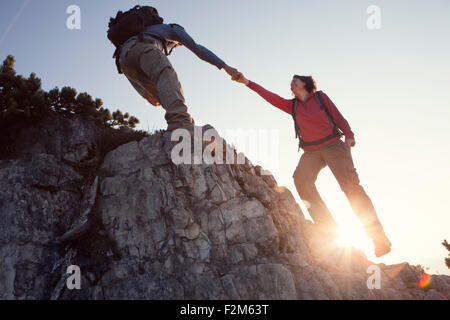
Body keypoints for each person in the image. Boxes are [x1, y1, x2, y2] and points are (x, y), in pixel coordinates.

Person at [232, 72, 392, 257]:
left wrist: (349, 134)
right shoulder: (292, 106)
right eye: (290, 81)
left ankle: (379, 238)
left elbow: (338, 117)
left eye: (295, 81)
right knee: (300, 179)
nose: (291, 83)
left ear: (306, 84)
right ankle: (327, 226)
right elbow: (270, 97)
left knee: (351, 189)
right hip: (312, 152)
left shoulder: (320, 98)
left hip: (333, 146)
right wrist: (247, 82)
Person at [109, 6, 239, 131]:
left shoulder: (150, 32)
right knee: (167, 75)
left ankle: (183, 122)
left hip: (123, 60)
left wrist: (145, 93)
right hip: (143, 47)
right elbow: (198, 49)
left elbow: (131, 71)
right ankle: (180, 124)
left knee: (165, 93)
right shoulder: (173, 29)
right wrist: (225, 66)